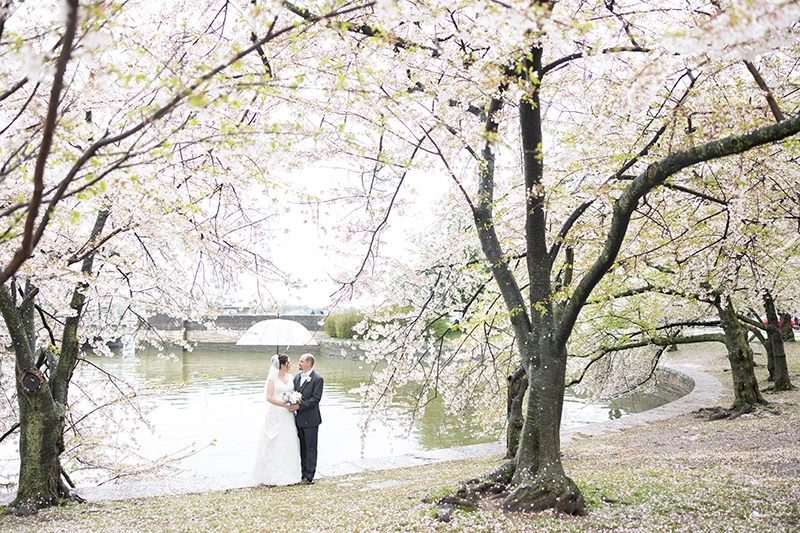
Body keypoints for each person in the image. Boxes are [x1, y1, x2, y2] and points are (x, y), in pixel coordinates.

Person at [253, 353, 302, 485]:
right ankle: (270, 474)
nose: (291, 364)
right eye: (289, 362)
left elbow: (294, 392)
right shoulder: (272, 378)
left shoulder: (291, 377)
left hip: (288, 413)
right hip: (276, 412)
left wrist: (294, 401)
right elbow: (268, 397)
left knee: (289, 439)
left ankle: (290, 473)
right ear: (282, 365)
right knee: (273, 440)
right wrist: (284, 404)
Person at [290, 353, 323, 484]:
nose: (299, 363)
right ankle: (302, 471)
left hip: (311, 419)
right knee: (302, 446)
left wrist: (300, 406)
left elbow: (316, 399)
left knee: (311, 447)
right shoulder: (297, 377)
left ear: (309, 363)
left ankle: (310, 475)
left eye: (301, 361)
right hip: (298, 419)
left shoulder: (317, 379)